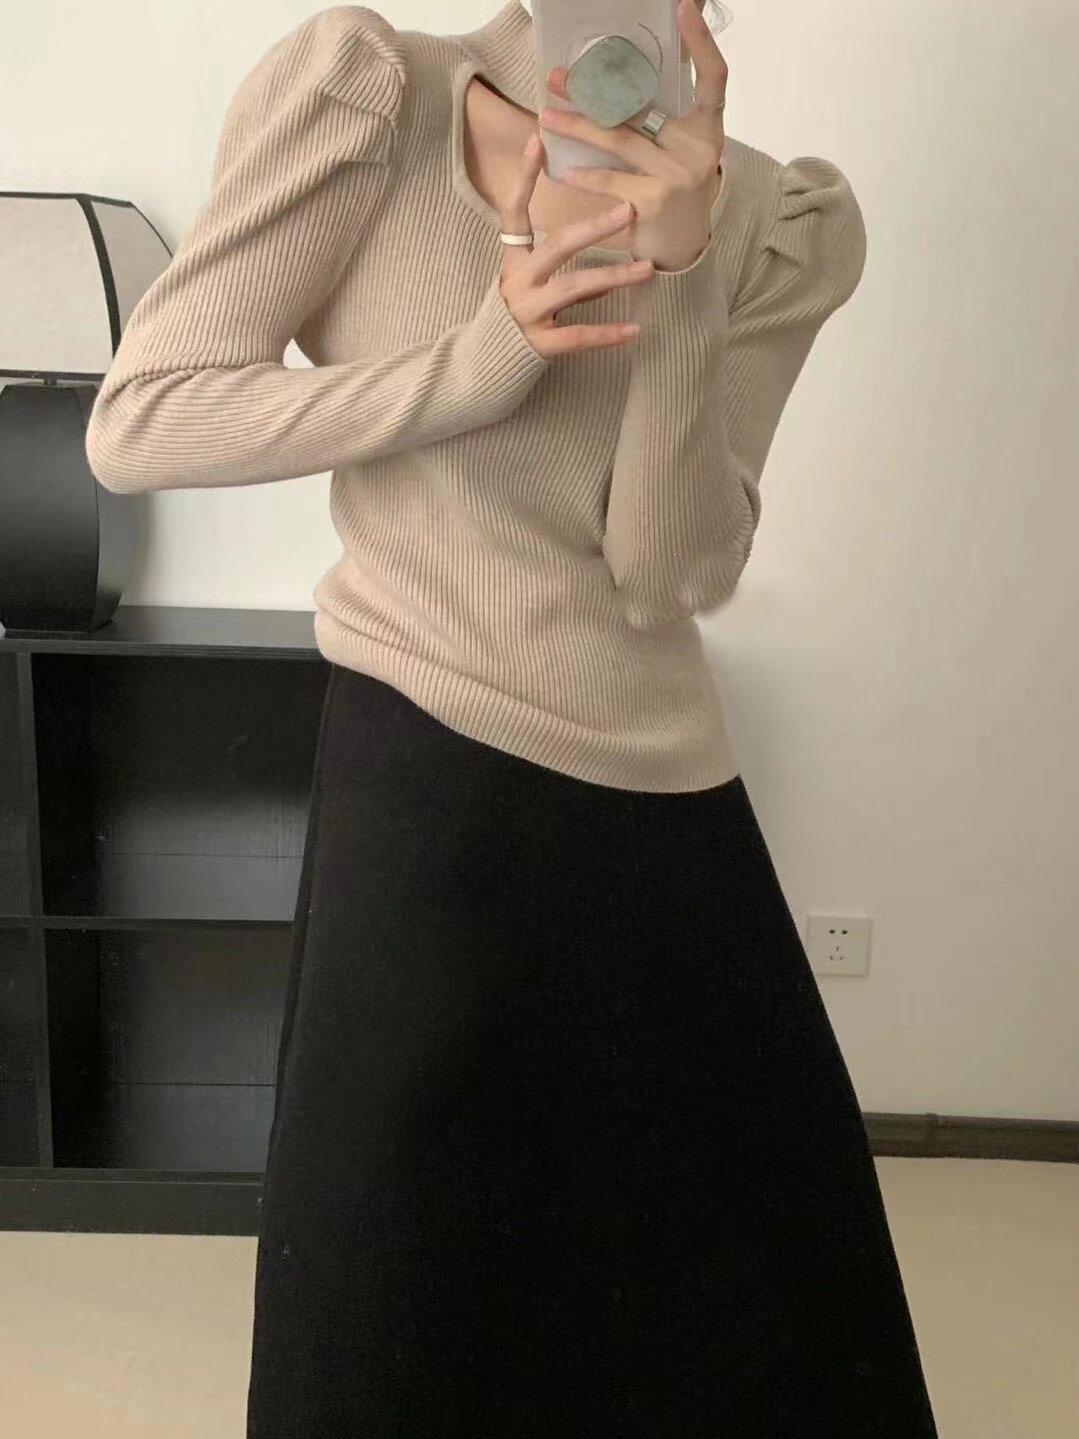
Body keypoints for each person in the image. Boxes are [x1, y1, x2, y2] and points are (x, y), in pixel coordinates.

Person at [86, 2, 938, 1433]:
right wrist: (480, 359)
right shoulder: (370, 100)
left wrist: (680, 277)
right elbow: (144, 418)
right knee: (398, 1304)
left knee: (744, 1325)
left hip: (666, 809)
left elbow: (665, 576)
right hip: (425, 787)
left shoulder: (778, 220)